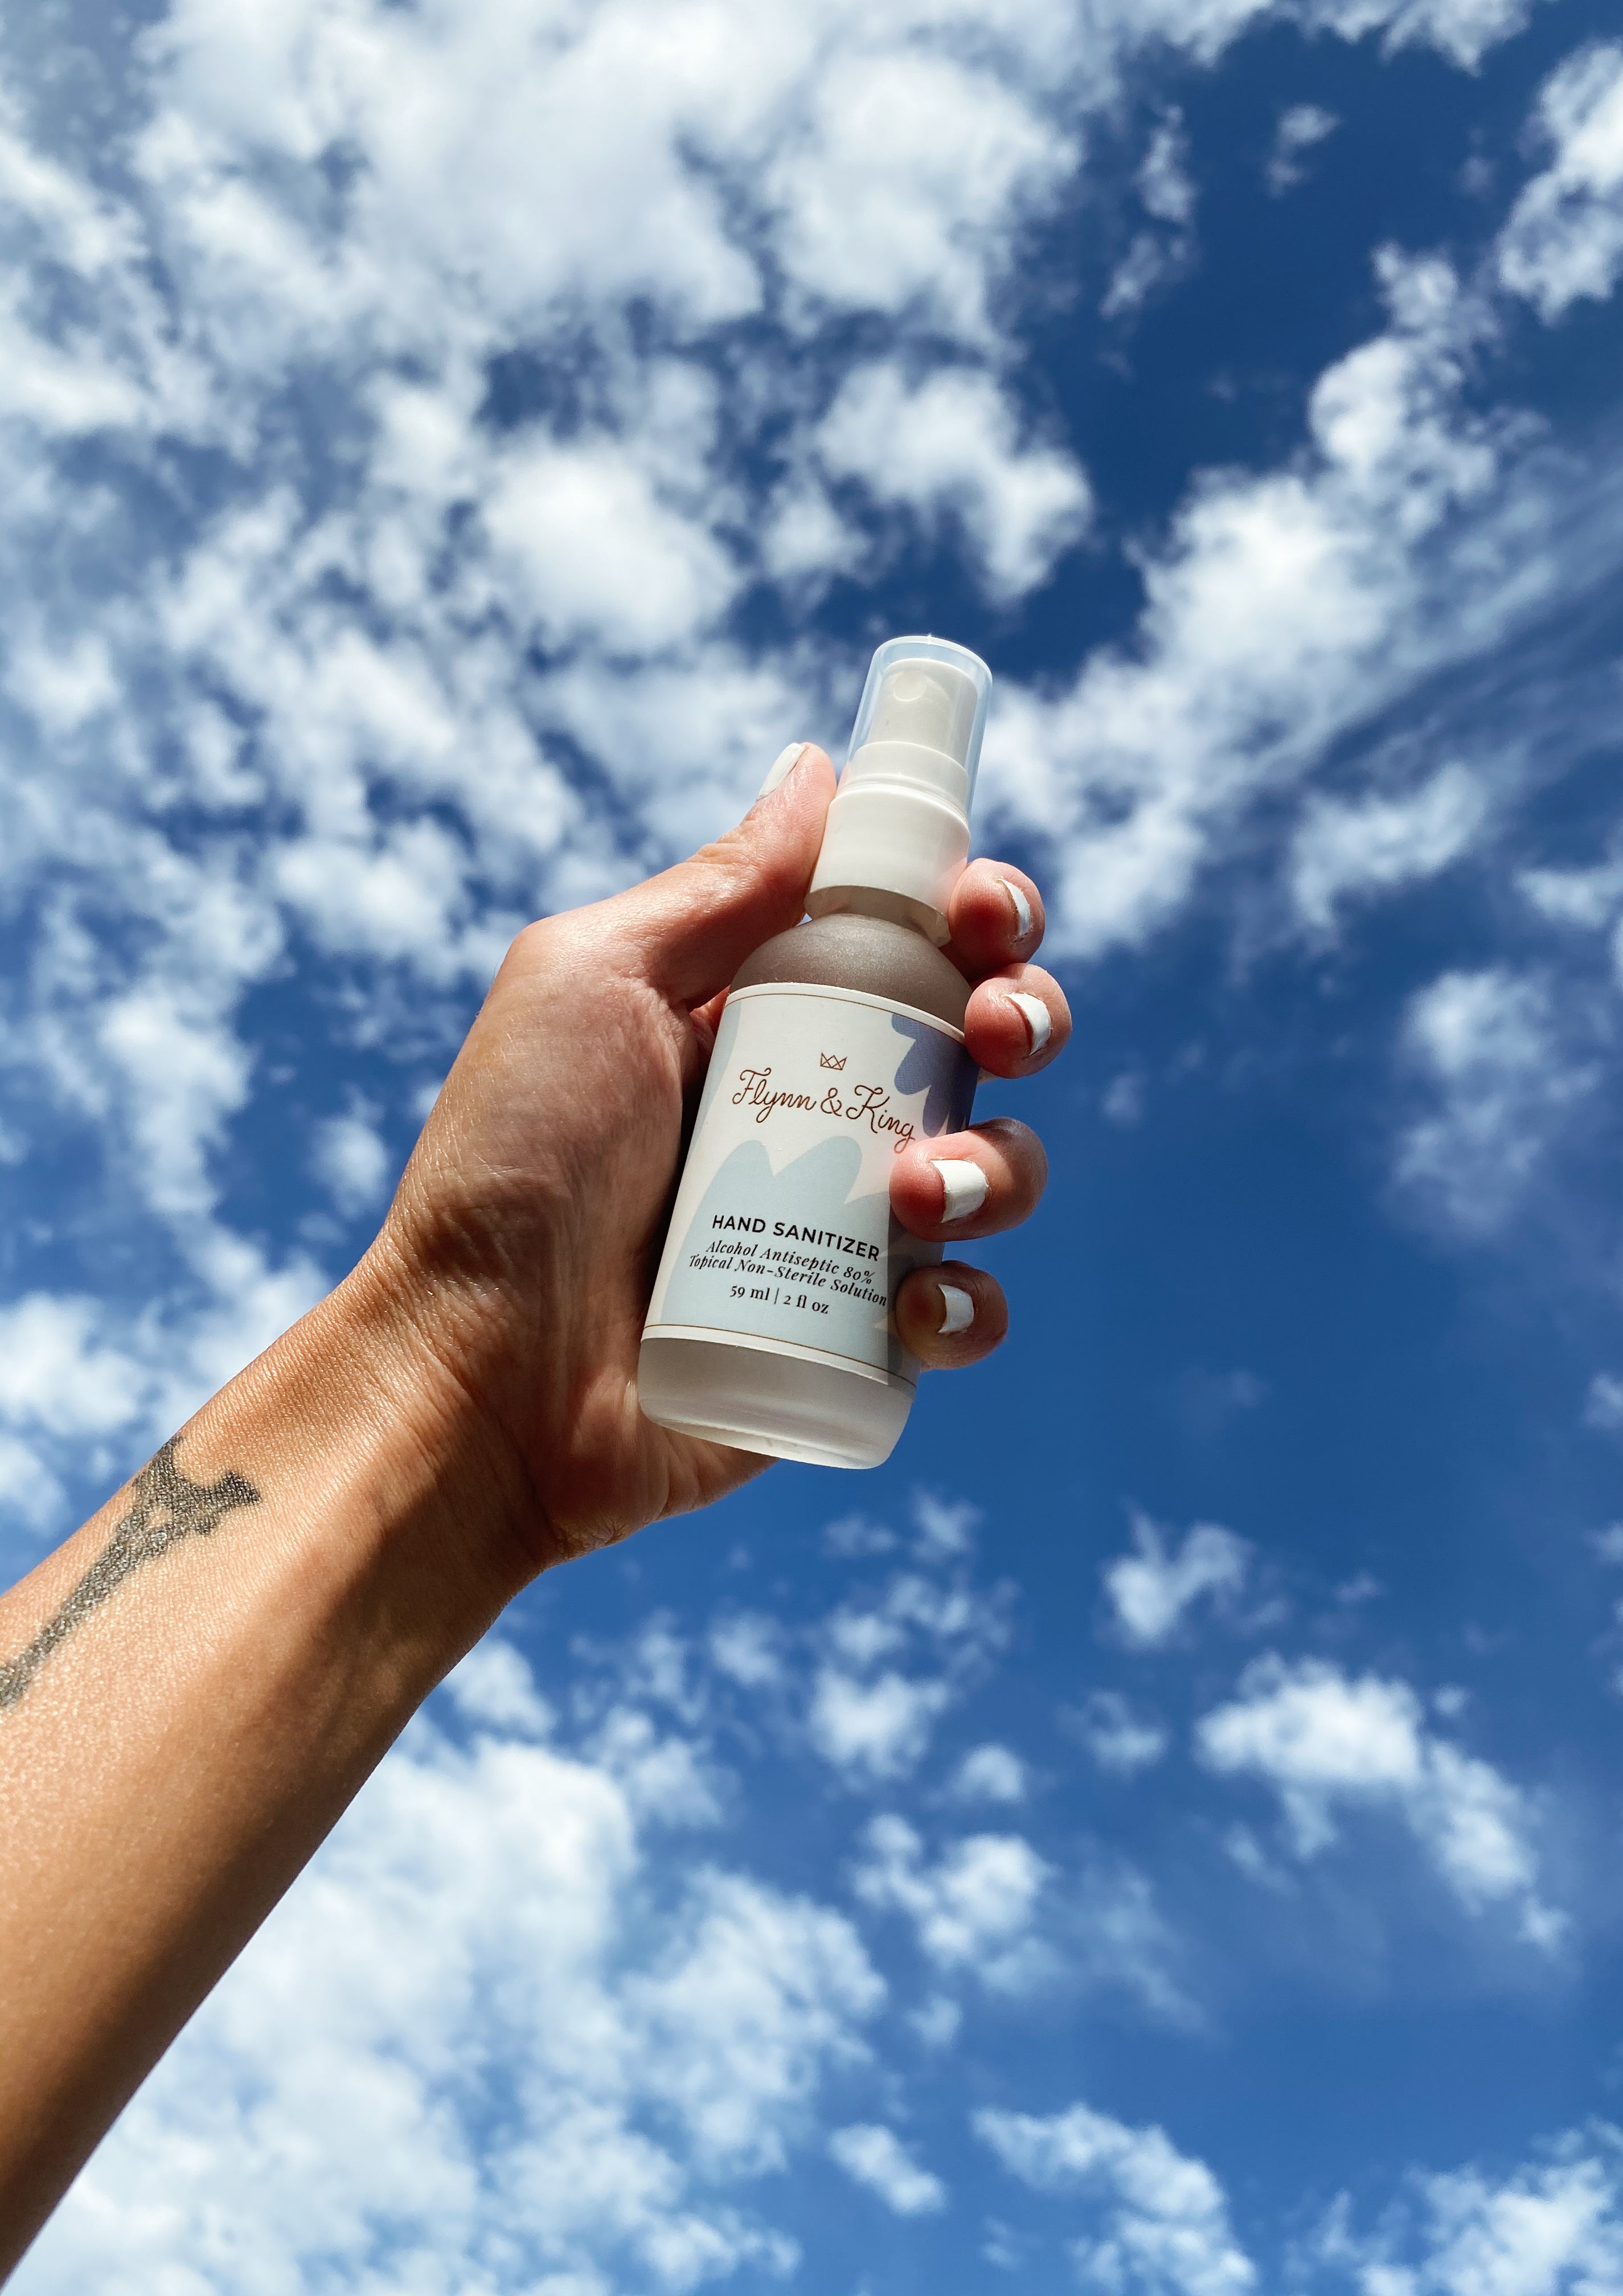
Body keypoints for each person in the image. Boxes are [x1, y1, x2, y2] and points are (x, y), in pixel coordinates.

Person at [0, 742, 1070, 2276]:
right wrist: (450, 1361)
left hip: (685, 1367)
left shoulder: (856, 976)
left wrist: (471, 1435)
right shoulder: (787, 951)